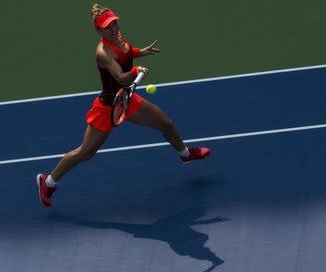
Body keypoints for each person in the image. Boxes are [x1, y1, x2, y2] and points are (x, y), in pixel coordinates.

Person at [36, 3, 211, 207]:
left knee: (166, 124)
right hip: (108, 107)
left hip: (127, 99)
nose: (113, 29)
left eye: (114, 24)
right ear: (98, 30)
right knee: (85, 152)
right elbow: (120, 77)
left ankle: (185, 155)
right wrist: (137, 70)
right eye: (108, 27)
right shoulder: (103, 53)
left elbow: (126, 53)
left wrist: (140, 52)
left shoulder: (118, 37)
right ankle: (47, 182)